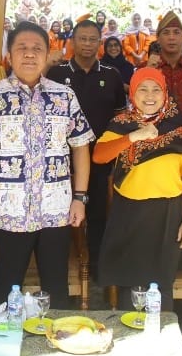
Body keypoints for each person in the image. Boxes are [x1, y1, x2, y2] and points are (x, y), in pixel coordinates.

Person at [0, 21, 94, 309]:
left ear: (48, 55)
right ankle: (7, 334)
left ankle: (54, 335)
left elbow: (80, 145)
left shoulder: (64, 96)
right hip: (10, 210)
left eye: (37, 48)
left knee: (56, 288)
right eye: (22, 48)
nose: (30, 54)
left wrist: (80, 198)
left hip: (56, 209)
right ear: (9, 55)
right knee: (8, 288)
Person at [92, 67, 182, 310]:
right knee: (128, 280)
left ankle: (160, 329)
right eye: (143, 89)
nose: (150, 95)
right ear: (132, 93)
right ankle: (127, 329)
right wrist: (134, 136)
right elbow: (99, 156)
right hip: (129, 212)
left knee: (162, 282)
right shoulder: (121, 124)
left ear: (165, 94)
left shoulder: (178, 128)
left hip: (169, 213)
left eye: (156, 89)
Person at [47, 20, 126, 280]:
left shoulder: (112, 75)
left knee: (98, 214)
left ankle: (96, 268)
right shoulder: (56, 74)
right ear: (72, 41)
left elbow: (120, 117)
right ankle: (64, 268)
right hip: (61, 159)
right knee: (61, 215)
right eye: (82, 38)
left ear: (100, 43)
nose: (88, 44)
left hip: (100, 159)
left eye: (93, 39)